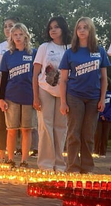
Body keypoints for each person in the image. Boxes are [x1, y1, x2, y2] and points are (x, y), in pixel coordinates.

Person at [59, 17, 110, 173]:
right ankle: (72, 167)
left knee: (88, 135)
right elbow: (63, 80)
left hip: (94, 98)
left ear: (90, 30)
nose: (81, 30)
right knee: (74, 133)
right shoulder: (70, 52)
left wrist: (102, 99)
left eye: (85, 27)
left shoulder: (99, 51)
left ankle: (87, 168)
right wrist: (63, 102)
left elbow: (104, 79)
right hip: (74, 96)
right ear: (76, 31)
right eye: (79, 27)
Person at [32, 16, 71, 172]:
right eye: (50, 28)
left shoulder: (70, 47)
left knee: (61, 128)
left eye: (56, 26)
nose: (53, 30)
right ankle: (46, 165)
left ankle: (59, 165)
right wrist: (35, 97)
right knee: (45, 126)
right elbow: (35, 74)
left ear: (63, 28)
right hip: (45, 89)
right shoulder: (44, 47)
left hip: (64, 91)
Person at [0, 23, 37, 168]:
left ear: (26, 36)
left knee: (27, 129)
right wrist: (1, 98)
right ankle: (10, 158)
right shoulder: (8, 56)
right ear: (11, 37)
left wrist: (37, 97)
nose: (18, 37)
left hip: (29, 96)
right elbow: (3, 78)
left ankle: (24, 160)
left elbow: (38, 76)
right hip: (11, 96)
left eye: (21, 34)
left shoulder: (33, 53)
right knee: (11, 129)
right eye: (15, 35)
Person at [0, 17, 20, 162]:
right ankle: (2, 155)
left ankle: (14, 155)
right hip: (0, 90)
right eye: (6, 26)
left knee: (17, 124)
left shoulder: (22, 47)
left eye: (11, 25)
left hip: (19, 90)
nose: (8, 28)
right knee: (2, 123)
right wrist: (4, 87)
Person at [94, 86, 111, 157]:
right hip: (99, 118)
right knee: (98, 134)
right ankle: (96, 151)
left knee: (105, 135)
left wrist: (106, 115)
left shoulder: (110, 94)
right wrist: (101, 114)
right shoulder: (98, 93)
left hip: (108, 119)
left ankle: (103, 152)